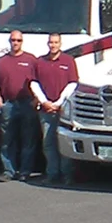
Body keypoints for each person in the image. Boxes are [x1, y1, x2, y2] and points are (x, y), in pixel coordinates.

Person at [0, 31, 40, 182]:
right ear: (9, 41)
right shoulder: (1, 61)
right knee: (7, 140)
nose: (16, 43)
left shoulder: (31, 60)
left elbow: (39, 82)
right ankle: (8, 171)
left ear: (22, 42)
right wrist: (0, 102)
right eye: (13, 40)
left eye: (18, 40)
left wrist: (36, 100)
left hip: (27, 103)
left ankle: (25, 171)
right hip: (9, 104)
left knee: (28, 139)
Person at [33, 34, 78, 185]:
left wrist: (58, 103)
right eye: (51, 42)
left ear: (60, 44)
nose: (53, 45)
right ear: (48, 44)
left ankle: (67, 175)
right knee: (48, 143)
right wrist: (44, 102)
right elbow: (34, 83)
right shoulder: (40, 61)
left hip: (63, 109)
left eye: (56, 42)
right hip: (45, 110)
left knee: (64, 143)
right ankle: (52, 174)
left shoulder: (68, 61)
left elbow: (73, 83)